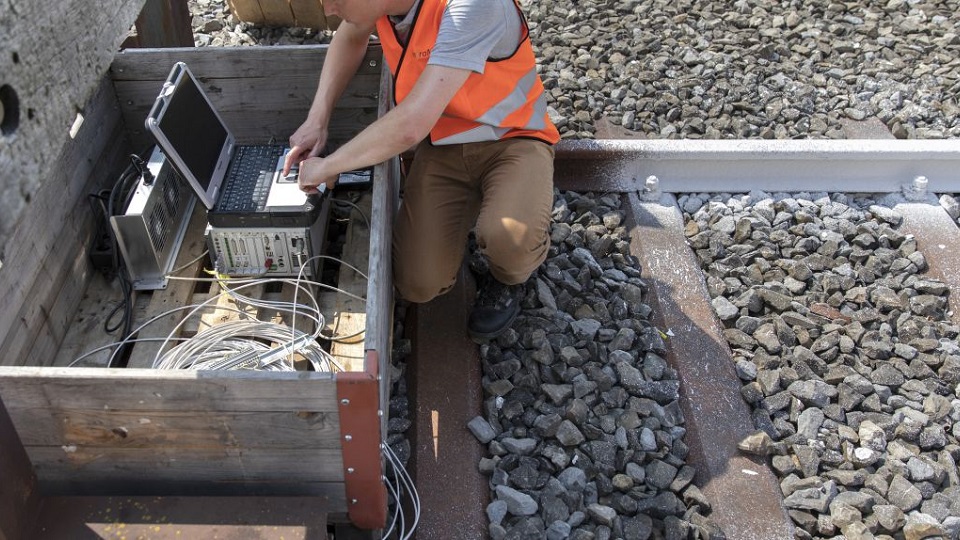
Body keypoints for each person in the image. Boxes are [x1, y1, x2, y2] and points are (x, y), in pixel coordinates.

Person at [283, 0, 559, 341]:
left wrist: (329, 165)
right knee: (418, 283)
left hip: (513, 139)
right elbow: (350, 37)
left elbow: (412, 124)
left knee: (511, 242)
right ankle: (483, 218)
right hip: (445, 144)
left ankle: (510, 277)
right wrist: (317, 120)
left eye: (333, 0)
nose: (327, 10)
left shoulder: (473, 5)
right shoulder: (379, 7)